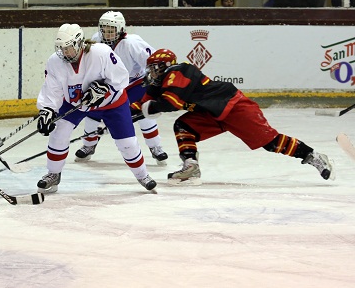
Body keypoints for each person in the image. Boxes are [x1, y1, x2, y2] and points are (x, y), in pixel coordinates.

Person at [135, 49, 335, 186]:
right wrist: (115, 117)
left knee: (271, 142)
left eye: (155, 68)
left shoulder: (179, 70)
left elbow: (171, 103)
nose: (151, 73)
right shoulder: (159, 83)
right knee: (183, 125)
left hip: (232, 106)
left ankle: (313, 156)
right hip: (209, 112)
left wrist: (148, 108)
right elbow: (139, 105)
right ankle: (191, 167)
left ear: (165, 66)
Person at [35, 23, 157, 194]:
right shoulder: (55, 61)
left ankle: (142, 175)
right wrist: (47, 110)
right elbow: (52, 90)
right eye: (61, 48)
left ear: (79, 43)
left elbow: (121, 77)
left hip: (112, 104)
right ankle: (53, 174)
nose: (65, 52)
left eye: (68, 48)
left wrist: (104, 89)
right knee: (59, 131)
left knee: (127, 143)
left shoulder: (100, 53)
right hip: (76, 103)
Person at [74, 11, 168, 166]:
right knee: (93, 113)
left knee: (143, 113)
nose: (107, 32)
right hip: (110, 86)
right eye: (104, 28)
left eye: (111, 29)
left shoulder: (132, 43)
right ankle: (88, 145)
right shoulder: (96, 40)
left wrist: (156, 82)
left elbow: (153, 60)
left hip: (135, 84)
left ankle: (155, 146)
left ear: (121, 29)